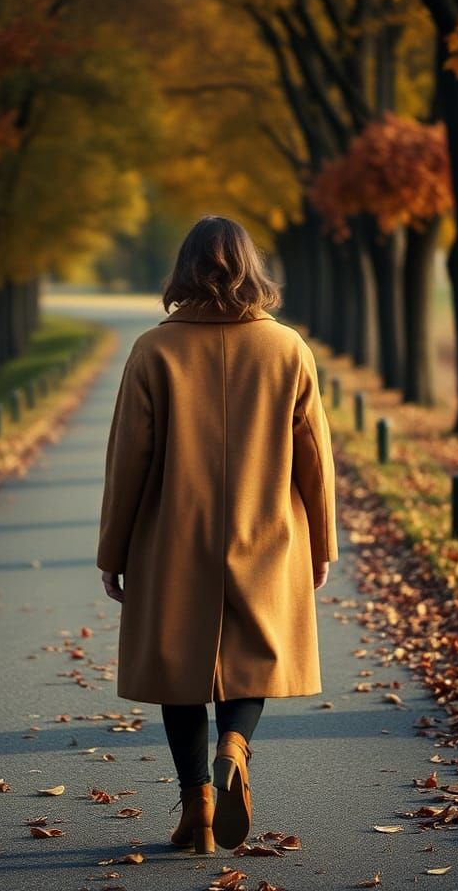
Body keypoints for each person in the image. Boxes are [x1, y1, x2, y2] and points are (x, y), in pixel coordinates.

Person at [96, 215, 338, 855]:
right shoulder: (288, 349)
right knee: (251, 655)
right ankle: (236, 747)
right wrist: (322, 545)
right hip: (267, 531)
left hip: (173, 536)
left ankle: (197, 809)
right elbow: (313, 456)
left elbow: (129, 461)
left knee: (181, 673)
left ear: (185, 271)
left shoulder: (154, 350)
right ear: (252, 269)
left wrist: (113, 551)